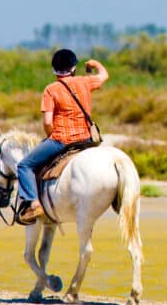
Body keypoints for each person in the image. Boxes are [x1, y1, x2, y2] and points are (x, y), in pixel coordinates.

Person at [15, 49, 109, 224]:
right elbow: (104, 75)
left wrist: (52, 136)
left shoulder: (51, 90)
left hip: (62, 139)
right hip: (86, 139)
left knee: (24, 165)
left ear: (54, 70)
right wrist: (94, 64)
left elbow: (48, 122)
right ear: (73, 68)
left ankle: (34, 204)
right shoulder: (84, 82)